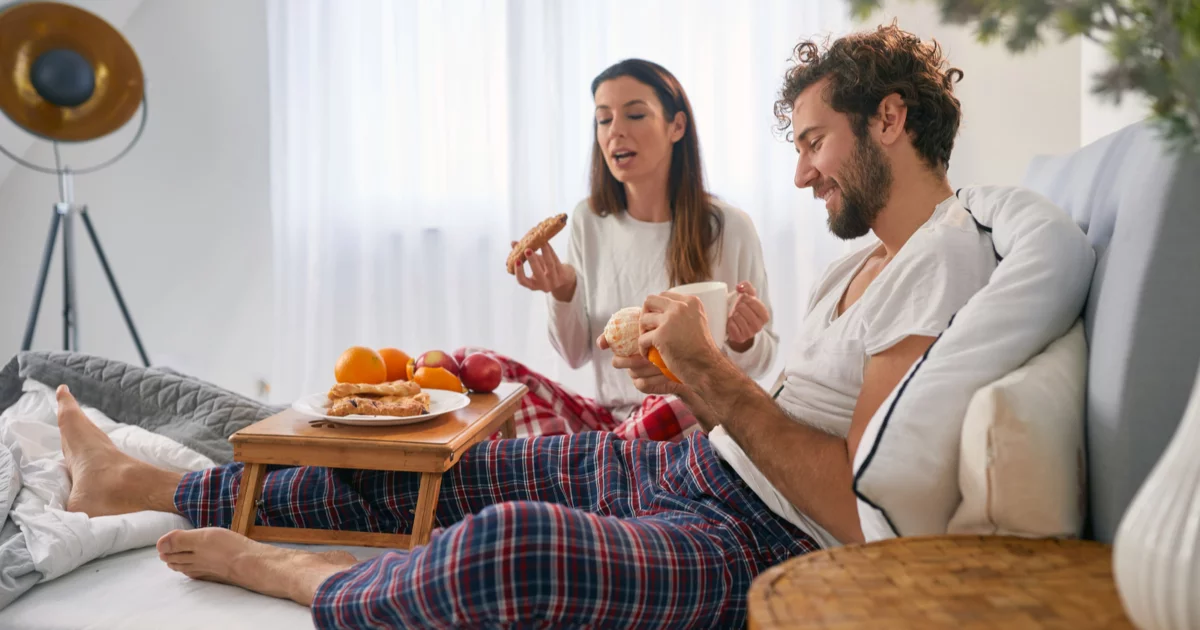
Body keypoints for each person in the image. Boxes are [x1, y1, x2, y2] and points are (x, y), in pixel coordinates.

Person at [54, 25, 998, 628]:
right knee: (451, 465)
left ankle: (293, 575)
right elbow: (646, 370)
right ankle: (152, 486)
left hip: (764, 537)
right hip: (697, 466)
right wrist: (695, 383)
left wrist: (711, 372)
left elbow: (851, 503)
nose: (801, 174)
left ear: (889, 119)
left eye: (813, 142)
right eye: (793, 149)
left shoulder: (943, 259)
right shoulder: (860, 262)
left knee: (513, 544)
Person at [456, 58, 778, 443]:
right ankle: (600, 463)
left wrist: (742, 338)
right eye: (604, 119)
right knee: (472, 365)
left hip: (685, 418)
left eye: (636, 115)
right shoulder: (587, 220)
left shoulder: (728, 228)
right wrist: (562, 290)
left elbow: (759, 363)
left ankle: (580, 464)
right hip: (606, 421)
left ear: (676, 126)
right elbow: (576, 354)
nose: (616, 132)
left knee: (680, 398)